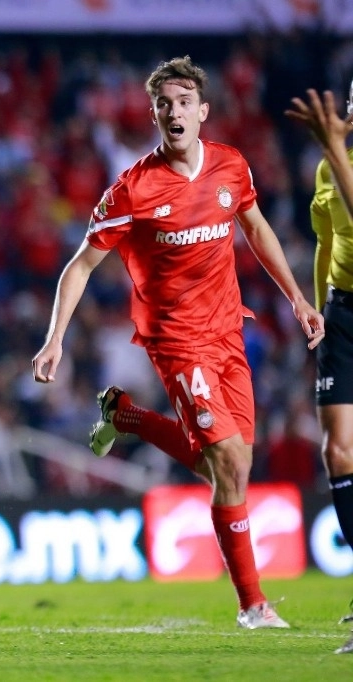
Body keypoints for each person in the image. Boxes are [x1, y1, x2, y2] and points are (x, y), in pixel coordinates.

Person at [31, 55, 324, 629]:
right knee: (226, 465)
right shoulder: (133, 189)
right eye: (164, 103)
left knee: (232, 465)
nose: (174, 112)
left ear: (203, 111)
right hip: (176, 339)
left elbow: (257, 228)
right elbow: (81, 265)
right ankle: (252, 605)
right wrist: (54, 340)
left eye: (184, 101)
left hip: (229, 331)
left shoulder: (231, 167)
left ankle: (128, 416)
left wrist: (296, 298)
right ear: (154, 114)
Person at [284, 86, 353, 654]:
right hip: (344, 313)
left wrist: (334, 148)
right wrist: (317, 309)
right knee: (338, 452)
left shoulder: (337, 161)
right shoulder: (327, 169)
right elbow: (326, 242)